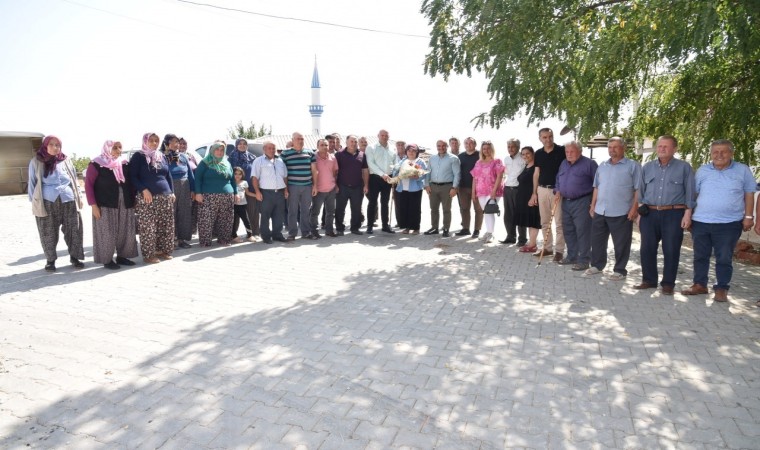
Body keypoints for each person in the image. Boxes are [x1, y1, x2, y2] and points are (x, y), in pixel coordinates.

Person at [681, 139, 756, 302]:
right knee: (700, 255)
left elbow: (749, 193)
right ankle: (700, 284)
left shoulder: (742, 170)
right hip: (701, 221)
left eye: (723, 151)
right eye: (715, 152)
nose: (719, 155)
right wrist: (688, 215)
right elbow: (693, 195)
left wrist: (749, 217)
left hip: (729, 223)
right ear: (711, 154)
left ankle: (721, 288)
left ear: (731, 153)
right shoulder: (703, 170)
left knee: (724, 257)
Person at [636, 135, 696, 295]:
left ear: (674, 149)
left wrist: (688, 213)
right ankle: (649, 280)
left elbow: (690, 192)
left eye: (666, 146)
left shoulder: (684, 167)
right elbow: (641, 191)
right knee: (647, 248)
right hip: (649, 213)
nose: (662, 149)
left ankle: (668, 284)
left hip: (674, 213)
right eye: (660, 146)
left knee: (671, 249)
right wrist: (640, 213)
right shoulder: (647, 167)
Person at [585, 137, 641, 280]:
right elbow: (596, 187)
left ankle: (620, 270)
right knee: (597, 240)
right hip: (600, 210)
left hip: (621, 211)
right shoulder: (602, 166)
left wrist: (634, 208)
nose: (612, 150)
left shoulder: (633, 166)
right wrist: (593, 205)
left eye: (615, 147)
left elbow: (638, 189)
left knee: (621, 243)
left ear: (623, 148)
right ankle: (597, 265)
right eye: (610, 147)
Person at [28, 135, 85, 271]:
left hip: (68, 199)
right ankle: (50, 260)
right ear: (45, 145)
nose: (55, 147)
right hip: (47, 202)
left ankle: (75, 257)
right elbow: (32, 183)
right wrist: (34, 202)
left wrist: (79, 196)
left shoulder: (65, 160)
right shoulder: (36, 161)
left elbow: (74, 178)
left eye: (57, 145)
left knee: (74, 229)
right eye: (51, 144)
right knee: (48, 232)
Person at [84, 140, 138, 269]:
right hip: (105, 204)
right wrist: (93, 205)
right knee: (106, 232)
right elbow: (88, 185)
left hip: (125, 202)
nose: (118, 150)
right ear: (107, 148)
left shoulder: (124, 163)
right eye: (115, 148)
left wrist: (133, 199)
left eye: (120, 147)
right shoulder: (96, 164)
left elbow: (131, 183)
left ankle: (122, 256)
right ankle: (107, 260)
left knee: (125, 230)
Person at [130, 132, 175, 264]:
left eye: (156, 140)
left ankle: (162, 250)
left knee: (165, 225)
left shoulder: (161, 156)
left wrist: (172, 191)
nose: (154, 143)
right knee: (148, 227)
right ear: (145, 141)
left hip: (165, 196)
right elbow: (133, 176)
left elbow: (168, 176)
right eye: (151, 140)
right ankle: (149, 254)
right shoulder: (139, 156)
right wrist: (143, 189)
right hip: (147, 198)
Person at [554, 141, 598, 271]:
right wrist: (557, 190)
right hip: (565, 202)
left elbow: (598, 184)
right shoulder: (563, 163)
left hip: (582, 201)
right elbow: (558, 180)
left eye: (572, 151)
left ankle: (584, 260)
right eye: (567, 152)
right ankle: (572, 256)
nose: (569, 154)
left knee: (583, 231)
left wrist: (593, 203)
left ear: (580, 151)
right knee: (568, 230)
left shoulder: (589, 164)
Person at [530, 128, 566, 261]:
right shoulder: (538, 153)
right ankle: (547, 248)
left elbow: (567, 171)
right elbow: (536, 174)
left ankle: (559, 251)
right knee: (545, 222)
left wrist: (561, 189)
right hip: (542, 190)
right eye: (544, 137)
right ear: (540, 138)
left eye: (550, 136)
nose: (548, 139)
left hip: (557, 190)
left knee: (559, 222)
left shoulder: (562, 150)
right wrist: (534, 193)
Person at [194, 142, 236, 247]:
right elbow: (198, 178)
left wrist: (235, 193)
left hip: (227, 195)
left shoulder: (227, 163)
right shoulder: (205, 162)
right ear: (212, 150)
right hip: (208, 195)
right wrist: (198, 193)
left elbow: (232, 179)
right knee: (206, 219)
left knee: (225, 219)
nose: (219, 152)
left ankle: (224, 239)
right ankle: (205, 241)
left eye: (222, 150)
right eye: (217, 149)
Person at [281, 132, 317, 241]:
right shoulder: (285, 153)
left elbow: (314, 170)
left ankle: (306, 232)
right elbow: (283, 172)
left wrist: (315, 186)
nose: (300, 141)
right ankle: (292, 233)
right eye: (298, 139)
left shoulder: (310, 152)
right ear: (292, 140)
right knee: (292, 211)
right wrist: (285, 188)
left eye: (302, 139)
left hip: (307, 186)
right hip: (292, 186)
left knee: (306, 211)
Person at [251, 141, 288, 244]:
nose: (272, 150)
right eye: (269, 148)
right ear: (264, 149)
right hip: (266, 193)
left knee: (279, 215)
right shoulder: (258, 161)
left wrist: (286, 189)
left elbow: (285, 177)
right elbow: (254, 178)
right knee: (265, 215)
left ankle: (277, 235)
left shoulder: (280, 161)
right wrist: (257, 192)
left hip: (280, 193)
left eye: (273, 148)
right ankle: (266, 236)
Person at [163, 134, 195, 249]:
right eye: (173, 142)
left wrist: (193, 189)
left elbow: (190, 174)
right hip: (170, 186)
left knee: (184, 213)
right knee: (171, 213)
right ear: (167, 144)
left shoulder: (183, 157)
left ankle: (182, 239)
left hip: (185, 186)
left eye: (177, 142)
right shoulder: (162, 157)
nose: (176, 144)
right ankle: (171, 240)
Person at [424, 140, 461, 237]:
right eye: (439, 146)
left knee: (446, 209)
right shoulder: (432, 158)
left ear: (447, 146)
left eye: (443, 145)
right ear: (436, 146)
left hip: (447, 187)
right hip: (433, 186)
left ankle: (446, 228)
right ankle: (434, 228)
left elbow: (457, 174)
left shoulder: (453, 158)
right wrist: (426, 185)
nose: (441, 147)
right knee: (433, 209)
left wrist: (454, 187)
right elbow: (427, 172)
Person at [470, 141, 505, 243]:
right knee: (486, 212)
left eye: (488, 148)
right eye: (484, 148)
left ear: (492, 149)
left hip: (493, 191)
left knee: (489, 211)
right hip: (481, 191)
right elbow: (475, 178)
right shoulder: (478, 162)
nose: (486, 150)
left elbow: (500, 176)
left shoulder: (497, 161)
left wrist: (494, 191)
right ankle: (488, 232)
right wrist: (473, 192)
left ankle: (490, 234)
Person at [335, 135, 369, 235]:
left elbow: (365, 170)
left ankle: (355, 228)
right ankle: (340, 229)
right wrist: (335, 185)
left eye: (355, 142)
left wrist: (366, 185)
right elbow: (335, 171)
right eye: (351, 141)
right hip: (342, 186)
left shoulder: (362, 155)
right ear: (346, 142)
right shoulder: (339, 154)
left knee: (356, 209)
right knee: (340, 209)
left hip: (357, 186)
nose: (353, 143)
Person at [228, 138, 260, 242]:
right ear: (236, 145)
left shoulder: (253, 157)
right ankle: (233, 235)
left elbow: (257, 173)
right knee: (236, 214)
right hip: (235, 190)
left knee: (253, 212)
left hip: (250, 188)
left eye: (244, 144)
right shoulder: (231, 158)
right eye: (240, 144)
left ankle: (254, 233)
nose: (242, 145)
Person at [365, 129, 396, 234]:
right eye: (382, 135)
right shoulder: (371, 147)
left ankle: (385, 225)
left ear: (389, 136)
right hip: (375, 178)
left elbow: (395, 163)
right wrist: (382, 174)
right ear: (378, 136)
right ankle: (369, 226)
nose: (384, 137)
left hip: (388, 179)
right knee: (372, 202)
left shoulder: (392, 148)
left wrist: (395, 175)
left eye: (386, 135)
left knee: (385, 203)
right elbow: (370, 163)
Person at [394, 144, 428, 234]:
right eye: (409, 151)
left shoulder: (420, 162)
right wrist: (397, 174)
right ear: (406, 152)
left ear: (417, 152)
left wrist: (417, 177)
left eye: (413, 151)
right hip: (402, 188)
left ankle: (416, 228)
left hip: (415, 189)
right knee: (404, 208)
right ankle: (407, 227)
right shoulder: (403, 161)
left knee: (414, 209)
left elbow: (424, 174)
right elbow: (395, 171)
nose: (411, 152)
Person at [514, 147, 542, 253]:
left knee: (533, 220)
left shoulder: (536, 167)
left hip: (532, 197)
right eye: (523, 154)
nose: (525, 156)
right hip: (523, 198)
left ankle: (532, 245)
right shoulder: (526, 166)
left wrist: (534, 195)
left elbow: (537, 182)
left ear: (533, 154)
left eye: (528, 153)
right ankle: (531, 243)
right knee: (529, 221)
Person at [310, 139, 338, 238]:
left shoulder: (333, 157)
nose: (324, 147)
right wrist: (313, 186)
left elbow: (335, 172)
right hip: (318, 190)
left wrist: (335, 185)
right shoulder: (313, 157)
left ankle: (329, 230)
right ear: (317, 146)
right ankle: (314, 231)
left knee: (331, 212)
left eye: (326, 145)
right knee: (315, 212)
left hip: (331, 189)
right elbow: (311, 172)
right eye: (322, 145)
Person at [501, 138, 526, 245]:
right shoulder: (506, 159)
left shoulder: (523, 158)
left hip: (518, 189)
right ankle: (510, 237)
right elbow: (506, 173)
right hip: (507, 188)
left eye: (513, 147)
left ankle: (522, 239)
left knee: (519, 215)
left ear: (518, 147)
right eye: (509, 147)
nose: (510, 149)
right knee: (508, 215)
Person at [456, 137, 483, 238]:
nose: (468, 145)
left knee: (478, 209)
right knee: (464, 208)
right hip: (462, 187)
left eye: (471, 143)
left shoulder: (480, 155)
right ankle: (465, 228)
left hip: (478, 187)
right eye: (466, 143)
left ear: (475, 144)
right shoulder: (460, 156)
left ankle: (477, 230)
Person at [232, 166, 255, 242]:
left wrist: (256, 195)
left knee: (246, 220)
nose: (238, 176)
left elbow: (247, 193)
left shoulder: (244, 182)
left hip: (242, 205)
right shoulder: (230, 182)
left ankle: (250, 235)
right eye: (235, 174)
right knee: (233, 221)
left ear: (242, 175)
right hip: (233, 205)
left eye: (240, 174)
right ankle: (234, 236)